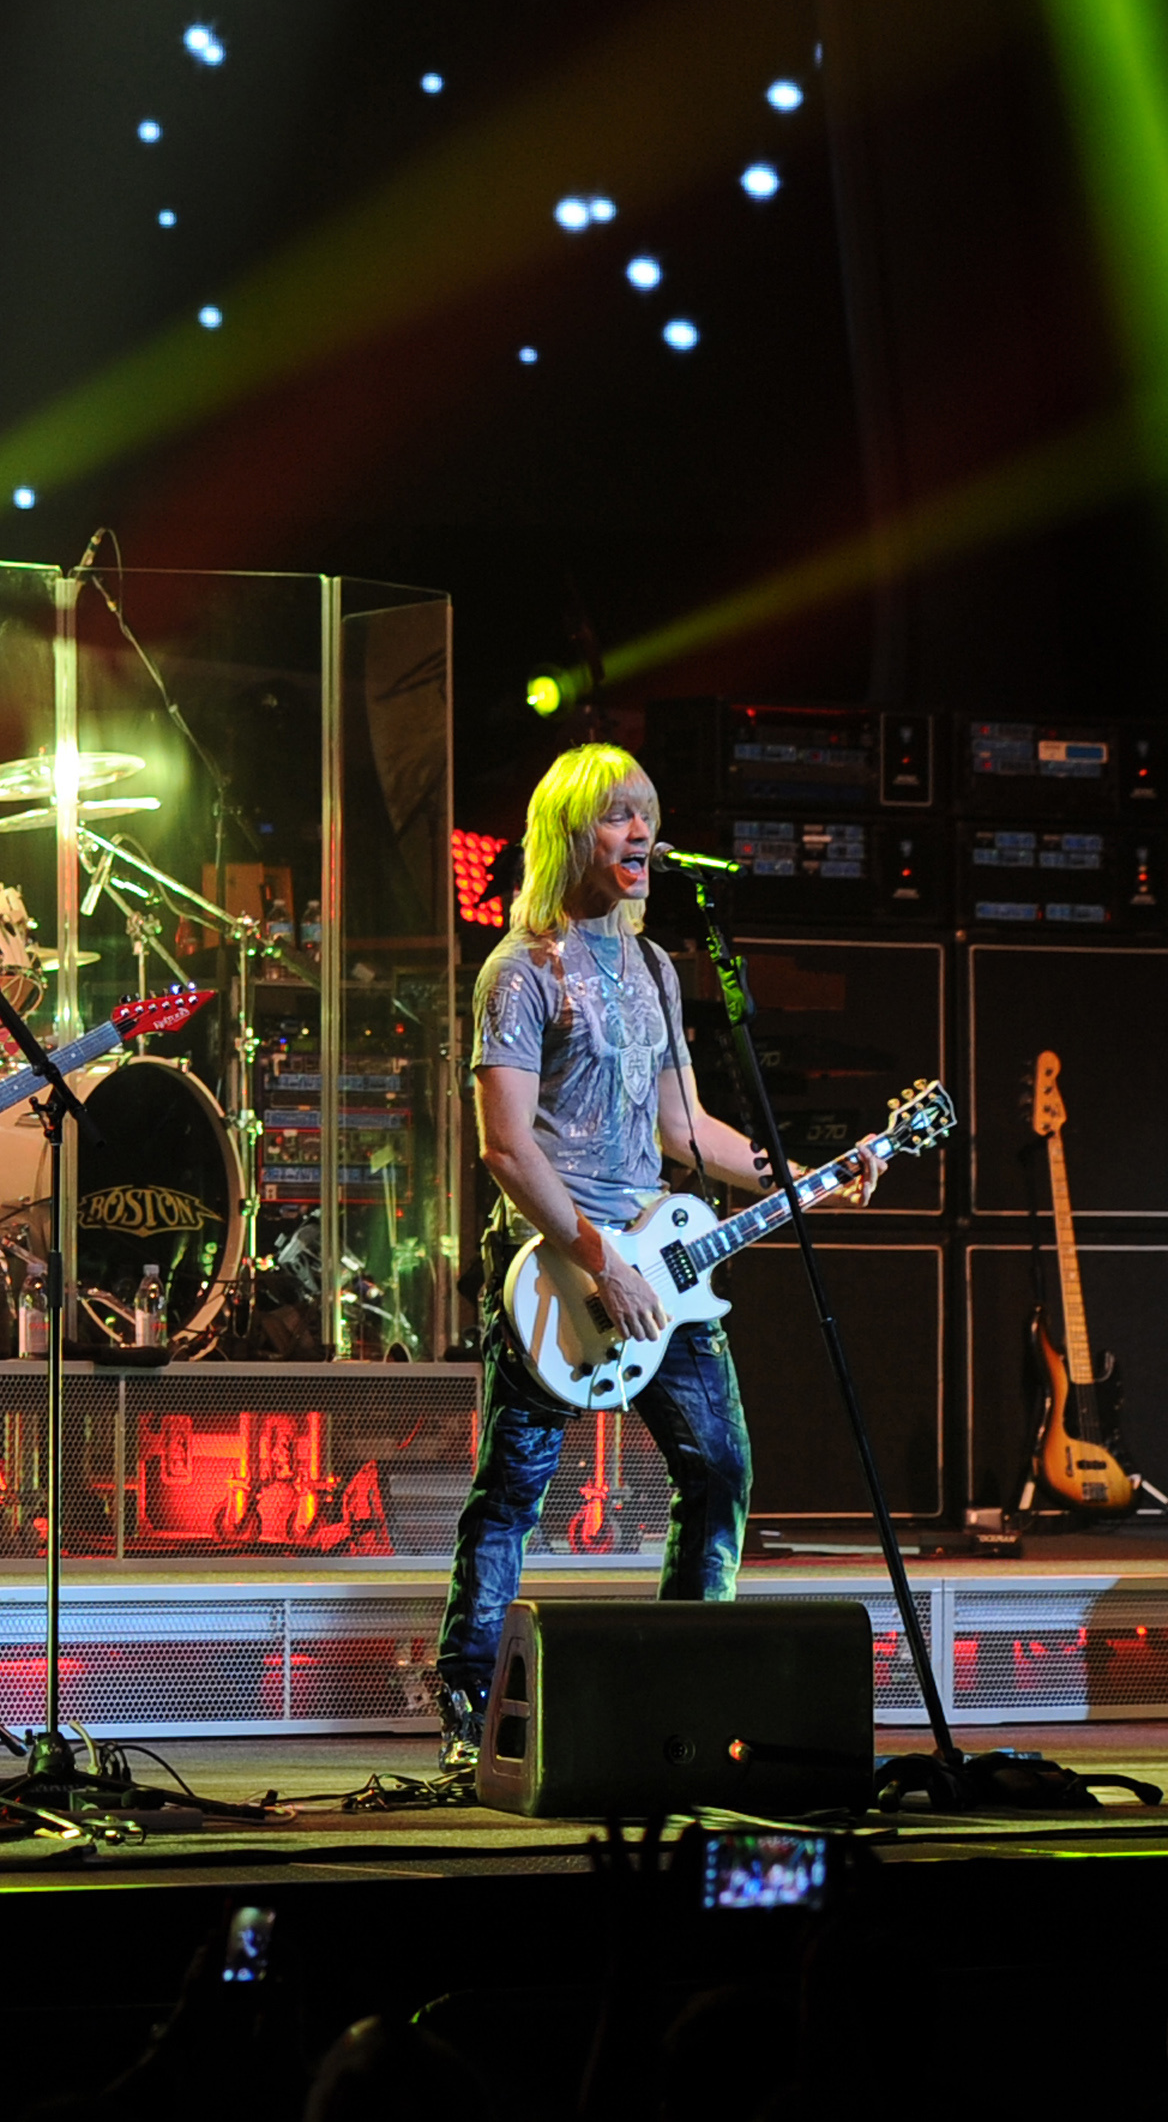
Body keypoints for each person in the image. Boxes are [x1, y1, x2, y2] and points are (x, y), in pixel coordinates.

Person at [432, 743, 872, 1768]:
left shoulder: (658, 967)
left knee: (718, 1469)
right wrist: (597, 1258)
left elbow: (686, 1131)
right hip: (557, 1267)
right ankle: (468, 1709)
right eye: (618, 815)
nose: (641, 833)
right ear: (568, 834)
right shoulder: (520, 969)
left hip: (659, 1265)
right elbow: (505, 1146)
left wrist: (810, 1171)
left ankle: (688, 1680)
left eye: (648, 813)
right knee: (515, 1488)